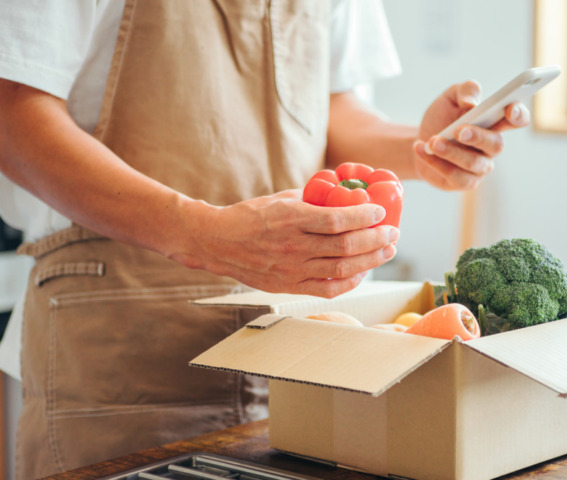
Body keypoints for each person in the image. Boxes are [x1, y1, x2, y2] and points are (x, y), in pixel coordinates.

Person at [0, 0, 529, 477]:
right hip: (123, 338)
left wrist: (422, 147)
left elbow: (332, 110)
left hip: (292, 344)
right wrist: (200, 234)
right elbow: (12, 114)